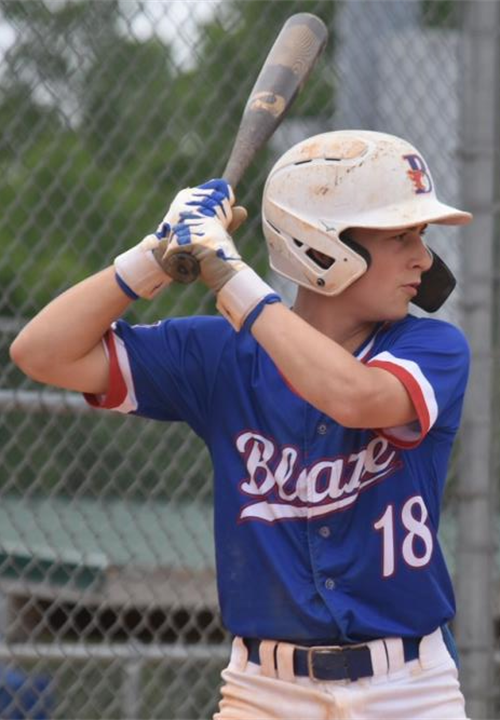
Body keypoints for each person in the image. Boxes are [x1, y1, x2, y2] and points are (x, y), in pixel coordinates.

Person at [10, 130, 472, 720]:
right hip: (265, 692)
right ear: (321, 245)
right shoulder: (220, 355)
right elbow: (41, 353)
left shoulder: (432, 347)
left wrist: (230, 276)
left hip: (410, 689)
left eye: (420, 235)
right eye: (400, 236)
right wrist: (152, 255)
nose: (423, 258)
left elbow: (355, 397)